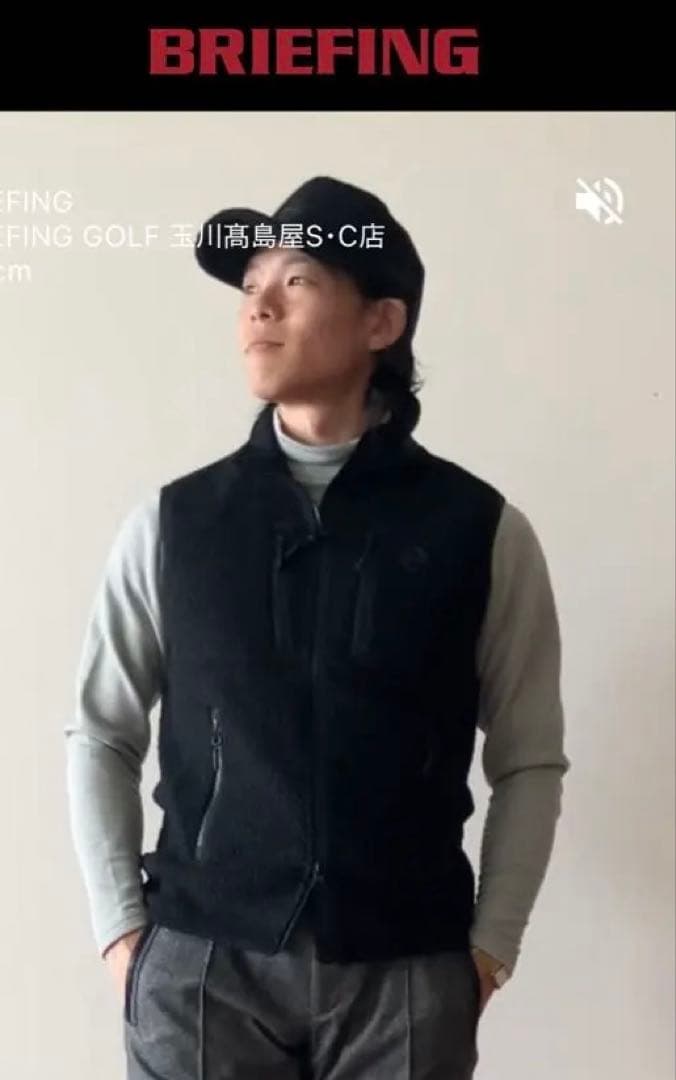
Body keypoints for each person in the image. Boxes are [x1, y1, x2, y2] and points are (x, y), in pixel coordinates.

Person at [65, 175, 571, 1079]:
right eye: (250, 284)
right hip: (200, 969)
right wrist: (121, 935)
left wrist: (490, 948)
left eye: (295, 280)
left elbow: (529, 756)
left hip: (406, 969)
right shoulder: (173, 524)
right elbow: (101, 730)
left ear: (382, 321)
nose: (257, 306)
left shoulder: (480, 530)